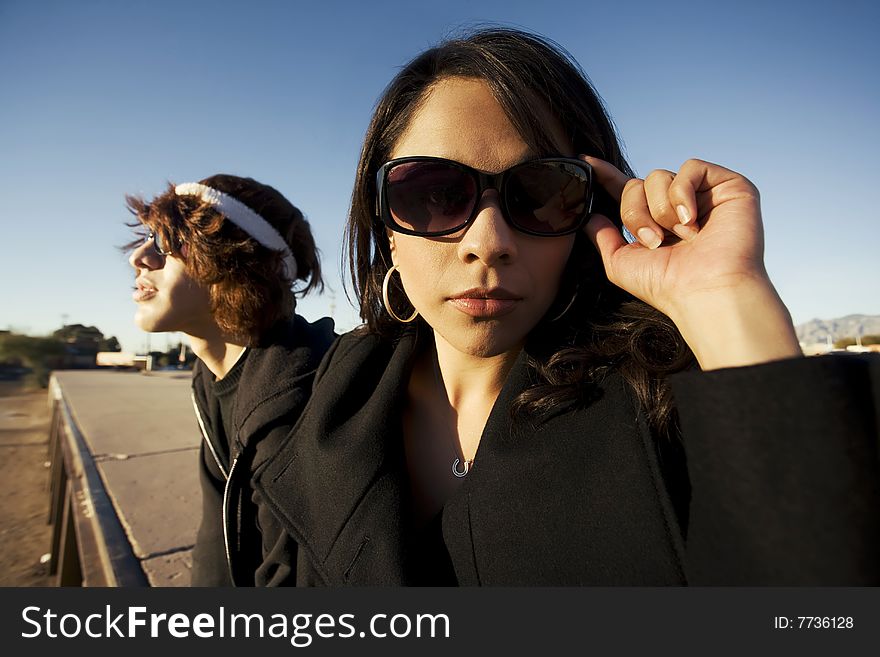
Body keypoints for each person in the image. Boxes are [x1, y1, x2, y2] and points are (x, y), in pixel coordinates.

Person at [250, 28, 880, 586]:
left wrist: (726, 300)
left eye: (541, 194)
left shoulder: (666, 408)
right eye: (434, 194)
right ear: (386, 221)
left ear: (589, 213)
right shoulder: (336, 395)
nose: (488, 244)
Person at [125, 175, 336, 585]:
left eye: (167, 243)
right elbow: (217, 541)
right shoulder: (211, 375)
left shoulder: (300, 401)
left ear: (237, 262)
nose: (140, 257)